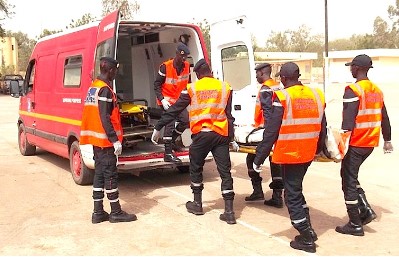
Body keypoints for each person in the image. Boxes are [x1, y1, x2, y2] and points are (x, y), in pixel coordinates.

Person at [151, 59, 238, 224]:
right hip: (220, 135)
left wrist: (158, 127)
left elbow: (175, 109)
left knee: (195, 168)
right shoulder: (225, 87)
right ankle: (229, 212)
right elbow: (229, 115)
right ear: (210, 72)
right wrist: (231, 138)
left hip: (202, 136)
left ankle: (197, 204)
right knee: (225, 172)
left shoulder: (192, 88)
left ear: (197, 74)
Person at [253, 62, 327, 253]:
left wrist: (259, 158)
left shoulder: (283, 96)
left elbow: (271, 131)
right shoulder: (316, 94)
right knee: (296, 189)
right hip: (308, 152)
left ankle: (306, 237)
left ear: (284, 79)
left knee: (291, 195)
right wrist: (319, 150)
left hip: (290, 152)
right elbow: (323, 125)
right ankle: (308, 227)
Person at [335, 54, 393, 236]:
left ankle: (355, 223)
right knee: (350, 175)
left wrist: (340, 147)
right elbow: (384, 117)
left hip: (356, 142)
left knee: (348, 181)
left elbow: (348, 123)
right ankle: (365, 210)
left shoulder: (353, 90)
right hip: (370, 143)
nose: (350, 69)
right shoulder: (376, 90)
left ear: (357, 68)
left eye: (351, 66)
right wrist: (387, 140)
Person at [80, 57, 137, 224]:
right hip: (105, 142)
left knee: (99, 175)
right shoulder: (104, 90)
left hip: (96, 141)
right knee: (110, 176)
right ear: (110, 70)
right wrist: (115, 140)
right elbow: (105, 117)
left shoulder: (94, 87)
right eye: (115, 70)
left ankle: (98, 212)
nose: (116, 73)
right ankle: (115, 212)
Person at [244, 63, 284, 208]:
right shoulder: (278, 86)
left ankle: (258, 190)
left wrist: (267, 135)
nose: (256, 76)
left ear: (262, 73)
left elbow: (267, 113)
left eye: (257, 73)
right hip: (278, 129)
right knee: (276, 162)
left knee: (251, 159)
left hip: (266, 132)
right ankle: (277, 196)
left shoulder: (265, 89)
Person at [153, 42, 191, 163]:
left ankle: (172, 141)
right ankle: (168, 153)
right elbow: (157, 84)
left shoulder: (187, 66)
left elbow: (188, 84)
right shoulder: (165, 66)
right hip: (167, 101)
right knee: (170, 123)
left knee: (185, 121)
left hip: (179, 101)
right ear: (176, 54)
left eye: (185, 56)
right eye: (181, 56)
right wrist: (162, 99)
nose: (183, 59)